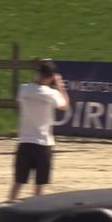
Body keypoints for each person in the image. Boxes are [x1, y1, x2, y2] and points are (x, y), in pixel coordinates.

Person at [8, 59, 70, 201]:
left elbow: (25, 95)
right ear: (50, 77)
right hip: (43, 143)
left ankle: (8, 209)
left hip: (25, 141)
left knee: (18, 183)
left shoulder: (23, 89)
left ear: (36, 73)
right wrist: (60, 85)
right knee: (39, 186)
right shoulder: (51, 94)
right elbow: (65, 105)